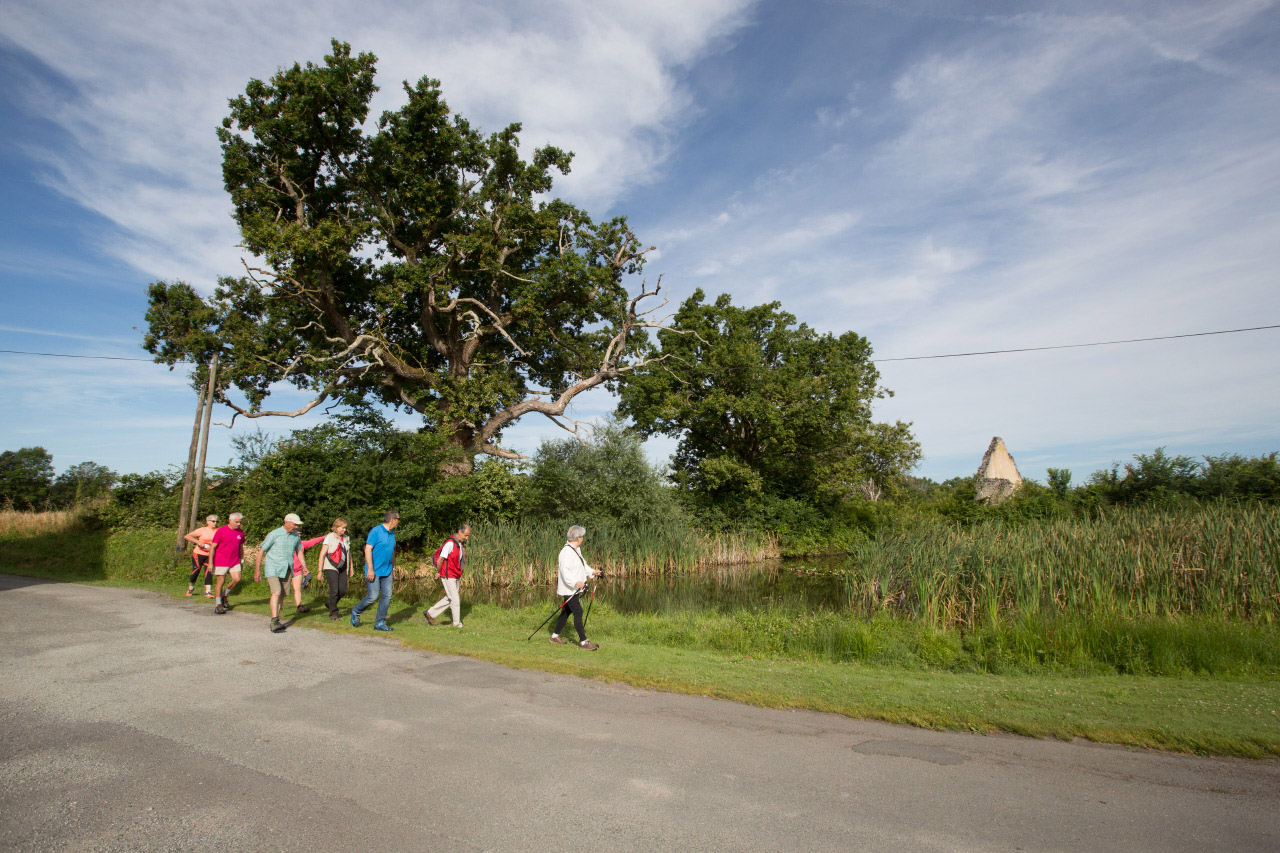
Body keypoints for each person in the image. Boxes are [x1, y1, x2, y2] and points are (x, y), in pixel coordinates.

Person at [549, 525, 600, 650]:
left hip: (574, 588)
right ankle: (583, 642)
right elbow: (564, 573)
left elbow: (583, 565)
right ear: (578, 538)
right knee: (578, 611)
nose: (583, 538)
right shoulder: (565, 552)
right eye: (582, 536)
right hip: (569, 589)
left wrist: (593, 572)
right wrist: (576, 582)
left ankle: (554, 636)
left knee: (566, 611)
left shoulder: (577, 549)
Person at [255, 513, 303, 633]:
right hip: (273, 568)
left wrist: (304, 566)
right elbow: (261, 550)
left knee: (281, 594)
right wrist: (257, 570)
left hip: (287, 568)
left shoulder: (295, 536)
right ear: (286, 522)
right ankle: (274, 620)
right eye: (294, 524)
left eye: (297, 524)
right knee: (276, 592)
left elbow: (299, 551)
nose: (296, 526)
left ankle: (276, 620)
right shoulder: (275, 534)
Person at [352, 510, 399, 632]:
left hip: (387, 570)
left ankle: (380, 622)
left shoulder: (392, 533)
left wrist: (393, 568)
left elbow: (392, 552)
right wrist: (370, 569)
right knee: (373, 596)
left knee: (387, 596)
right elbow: (368, 550)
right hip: (374, 570)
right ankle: (356, 611)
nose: (399, 522)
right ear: (392, 520)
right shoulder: (376, 531)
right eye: (398, 519)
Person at [423, 523, 470, 627]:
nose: (467, 538)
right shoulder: (450, 543)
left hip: (455, 574)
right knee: (455, 598)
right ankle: (457, 624)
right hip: (448, 575)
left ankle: (430, 613)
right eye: (465, 535)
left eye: (468, 536)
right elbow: (440, 559)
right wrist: (438, 572)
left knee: (451, 597)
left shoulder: (460, 544)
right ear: (459, 532)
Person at [208, 512, 247, 614]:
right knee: (221, 580)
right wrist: (210, 563)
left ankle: (224, 595)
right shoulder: (221, 531)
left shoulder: (240, 532)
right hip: (221, 560)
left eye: (240, 522)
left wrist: (242, 560)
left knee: (237, 579)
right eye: (237, 522)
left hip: (235, 560)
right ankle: (218, 604)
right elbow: (213, 547)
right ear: (230, 520)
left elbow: (240, 547)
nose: (239, 524)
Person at [317, 518, 353, 621]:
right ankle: (333, 613)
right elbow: (322, 554)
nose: (344, 530)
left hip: (343, 567)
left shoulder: (346, 538)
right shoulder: (330, 537)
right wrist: (320, 570)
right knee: (334, 590)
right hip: (331, 566)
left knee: (343, 590)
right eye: (343, 528)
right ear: (336, 527)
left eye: (345, 528)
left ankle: (330, 603)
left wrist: (351, 568)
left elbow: (348, 554)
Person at [286, 533, 325, 616]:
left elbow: (312, 542)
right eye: (297, 534)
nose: (299, 535)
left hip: (297, 570)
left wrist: (324, 537)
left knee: (298, 589)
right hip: (286, 569)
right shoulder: (286, 544)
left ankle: (299, 606)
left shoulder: (301, 544)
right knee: (281, 591)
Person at [183, 514, 218, 598]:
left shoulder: (218, 531)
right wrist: (198, 542)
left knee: (209, 571)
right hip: (198, 554)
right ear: (208, 522)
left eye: (217, 521)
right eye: (213, 521)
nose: (215, 523)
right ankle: (190, 588)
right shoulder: (202, 530)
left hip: (210, 554)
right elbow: (187, 536)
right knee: (196, 571)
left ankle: (208, 592)